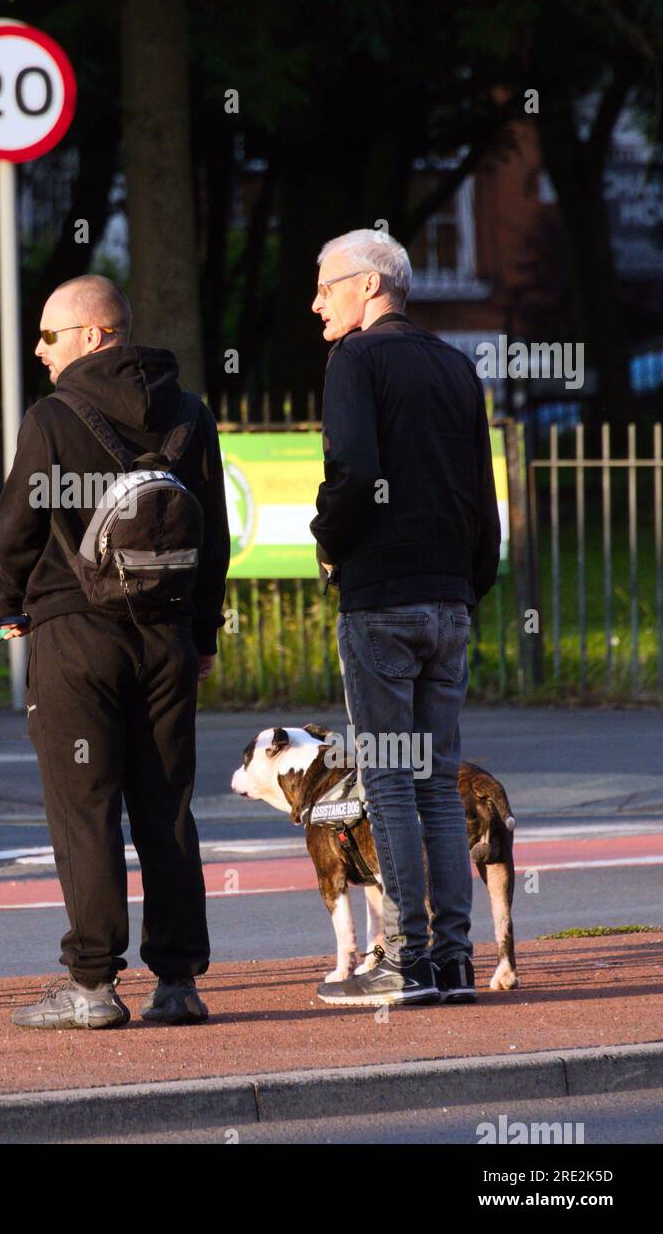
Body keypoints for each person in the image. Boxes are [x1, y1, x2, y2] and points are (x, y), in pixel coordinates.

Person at [0, 274, 230, 1029]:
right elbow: (213, 536)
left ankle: (92, 986)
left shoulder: (54, 416)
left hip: (74, 635)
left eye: (49, 336)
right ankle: (178, 983)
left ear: (93, 336)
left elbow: (17, 530)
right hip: (166, 636)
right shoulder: (190, 413)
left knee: (84, 809)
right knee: (167, 808)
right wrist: (203, 633)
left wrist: (8, 610)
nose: (39, 350)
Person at [309, 229, 500, 1006]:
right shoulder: (455, 365)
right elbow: (481, 493)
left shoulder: (356, 360)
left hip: (382, 597)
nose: (316, 302)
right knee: (433, 780)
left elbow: (352, 473)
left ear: (365, 286)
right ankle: (452, 960)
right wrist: (469, 583)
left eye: (325, 286)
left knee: (388, 778)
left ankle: (404, 960)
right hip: (448, 597)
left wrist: (328, 543)